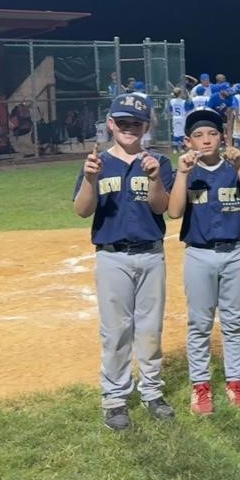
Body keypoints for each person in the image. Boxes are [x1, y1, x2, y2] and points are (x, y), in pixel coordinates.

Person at [72, 94, 175, 431]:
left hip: (150, 253)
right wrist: (90, 179)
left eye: (136, 122)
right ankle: (115, 397)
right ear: (111, 124)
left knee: (149, 329)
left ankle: (152, 391)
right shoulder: (98, 162)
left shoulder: (159, 161)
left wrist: (155, 177)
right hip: (112, 255)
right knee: (116, 331)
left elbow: (161, 208)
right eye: (123, 122)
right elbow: (82, 210)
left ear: (146, 126)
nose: (129, 128)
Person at [167, 108, 240, 415]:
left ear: (222, 137)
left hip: (234, 253)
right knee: (200, 323)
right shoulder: (187, 170)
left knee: (233, 322)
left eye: (212, 134)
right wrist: (182, 173)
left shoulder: (233, 167)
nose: (206, 140)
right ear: (188, 141)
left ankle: (235, 382)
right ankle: (200, 385)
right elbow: (174, 211)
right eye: (198, 135)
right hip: (199, 254)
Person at [168, 88, 187, 154]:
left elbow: (170, 110)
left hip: (175, 117)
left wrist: (173, 114)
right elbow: (186, 110)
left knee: (176, 132)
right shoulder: (183, 101)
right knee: (182, 132)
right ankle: (181, 147)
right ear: (180, 94)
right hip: (182, 117)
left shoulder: (172, 101)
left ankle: (175, 148)